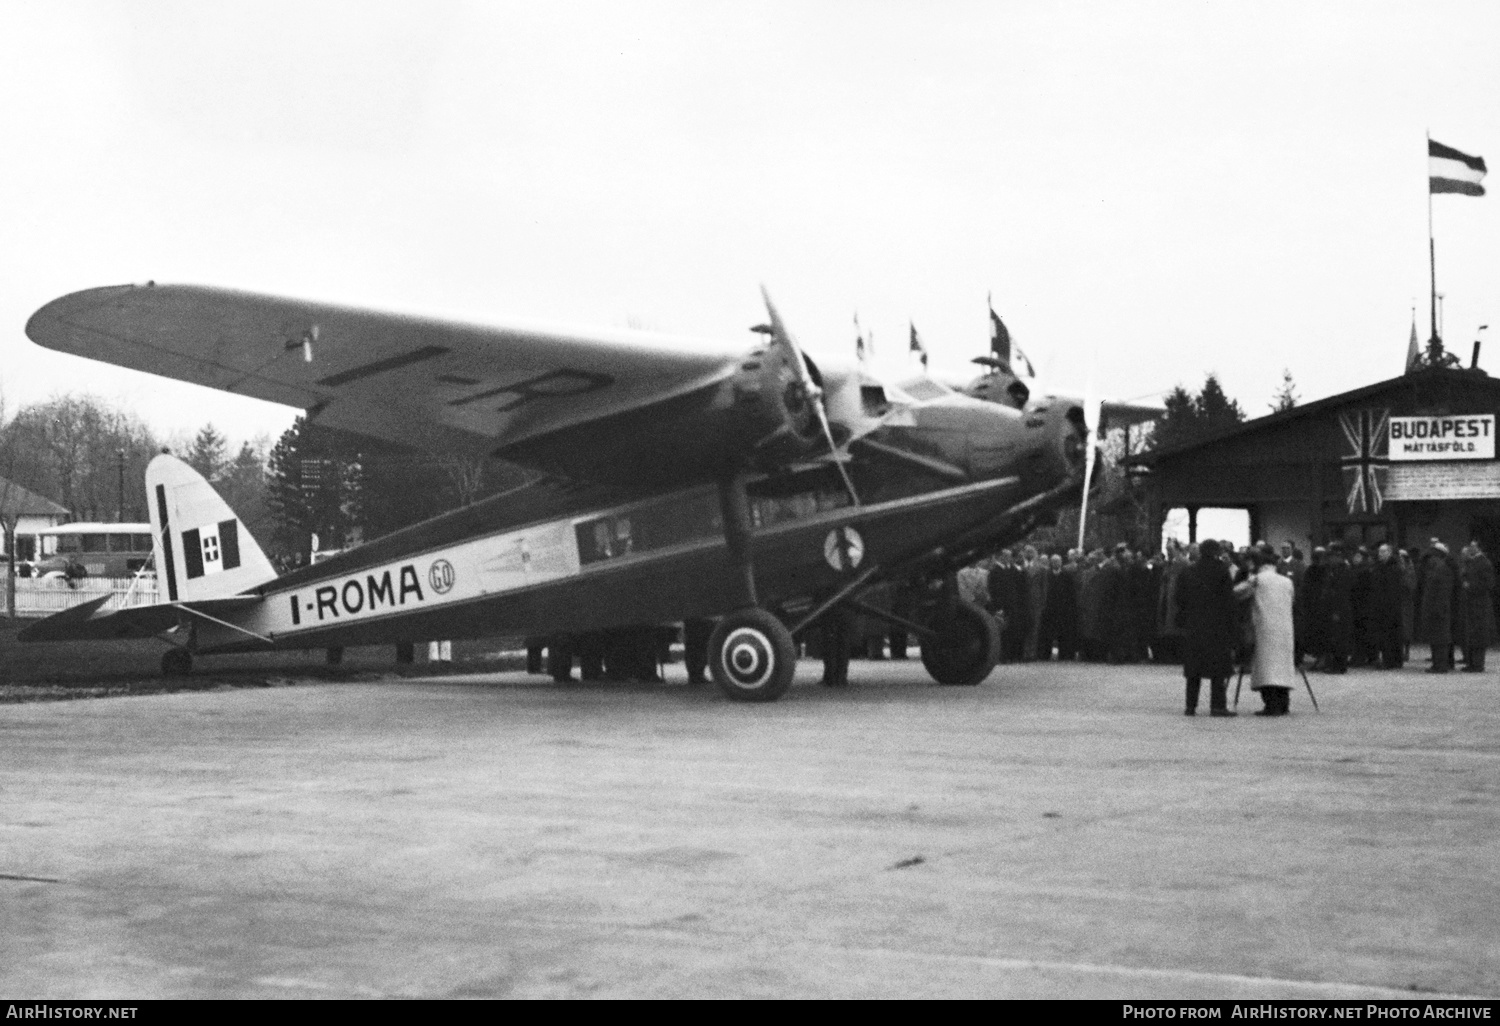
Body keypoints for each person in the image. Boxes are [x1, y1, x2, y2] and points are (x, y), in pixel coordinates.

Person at [1176, 539, 1238, 716]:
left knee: (1193, 669)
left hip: (1194, 624)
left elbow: (1179, 598)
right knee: (1218, 669)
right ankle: (1217, 706)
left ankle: (1190, 706)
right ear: (1216, 552)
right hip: (1217, 626)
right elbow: (1229, 601)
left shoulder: (1188, 571)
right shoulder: (1221, 571)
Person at [1234, 547, 1297, 716]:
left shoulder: (1257, 580)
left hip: (1264, 629)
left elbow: (1237, 593)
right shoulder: (1286, 582)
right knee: (1282, 668)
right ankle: (1284, 703)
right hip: (1285, 629)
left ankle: (1272, 705)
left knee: (1267, 669)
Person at [1419, 542, 1457, 674]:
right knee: (1436, 638)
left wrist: (1438, 608)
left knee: (1440, 638)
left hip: (1439, 609)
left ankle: (1440, 665)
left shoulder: (1440, 569)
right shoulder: (1439, 568)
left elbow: (1443, 592)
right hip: (1436, 608)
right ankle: (1438, 663)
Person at [1459, 541, 1495, 672]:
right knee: (1472, 633)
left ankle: (1478, 663)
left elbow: (1489, 584)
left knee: (1478, 633)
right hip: (1472, 603)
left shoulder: (1484, 563)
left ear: (1479, 547)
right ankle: (1472, 662)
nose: (1470, 548)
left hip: (1480, 604)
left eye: (1473, 545)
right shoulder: (1472, 562)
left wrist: (1471, 586)